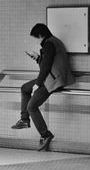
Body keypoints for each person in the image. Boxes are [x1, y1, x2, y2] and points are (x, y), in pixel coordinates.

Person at [11, 23, 75, 151]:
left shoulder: (49, 44)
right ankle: (24, 120)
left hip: (54, 81)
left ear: (41, 35)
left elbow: (46, 68)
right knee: (25, 88)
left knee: (32, 106)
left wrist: (37, 84)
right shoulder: (54, 42)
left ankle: (45, 135)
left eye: (36, 38)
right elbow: (48, 63)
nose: (37, 41)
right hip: (52, 77)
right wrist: (37, 58)